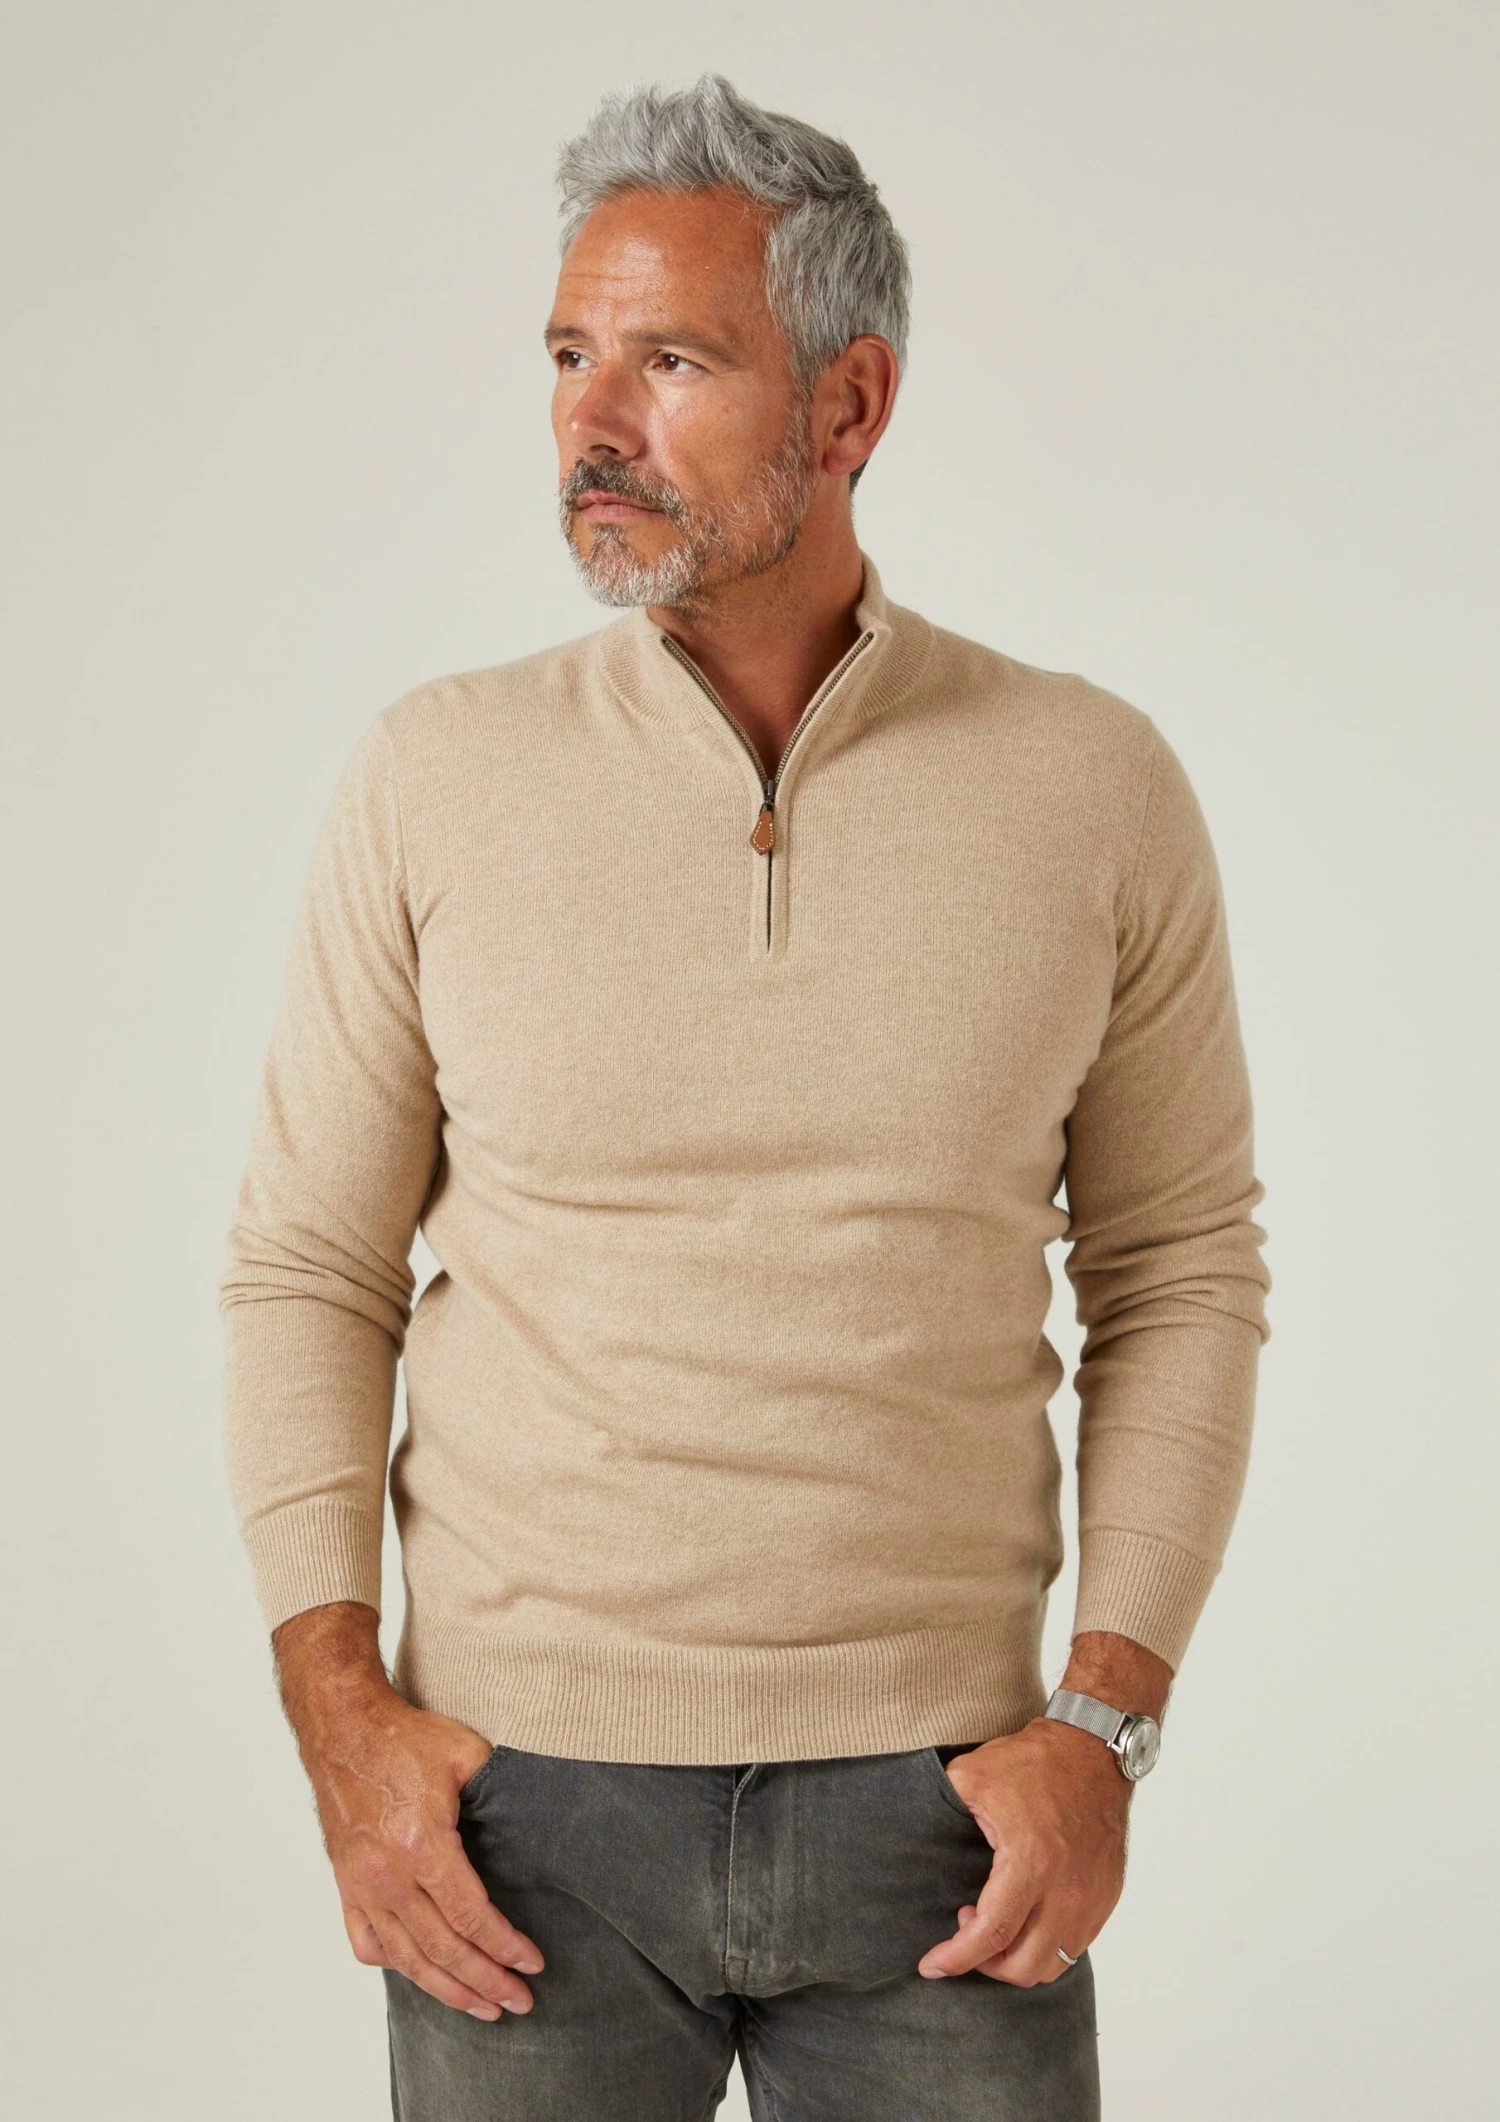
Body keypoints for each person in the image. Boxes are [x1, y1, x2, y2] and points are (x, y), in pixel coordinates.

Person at [219, 72, 1270, 2121]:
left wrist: (1106, 1724)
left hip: (947, 1823)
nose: (590, 424)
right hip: (515, 1821)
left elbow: (1181, 1271)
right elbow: (305, 1267)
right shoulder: (435, 773)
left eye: (673, 362)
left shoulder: (1090, 783)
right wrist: (339, 1716)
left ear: (850, 404)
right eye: (568, 355)